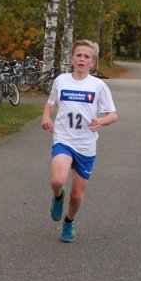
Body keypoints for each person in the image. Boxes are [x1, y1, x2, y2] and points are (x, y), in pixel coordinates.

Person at [41, 40, 117, 243]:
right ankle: (58, 195)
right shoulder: (61, 81)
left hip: (86, 144)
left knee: (77, 195)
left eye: (87, 57)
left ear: (93, 62)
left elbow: (113, 115)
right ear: (71, 59)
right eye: (79, 55)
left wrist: (101, 121)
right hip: (63, 138)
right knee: (57, 180)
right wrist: (46, 117)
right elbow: (50, 103)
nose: (82, 59)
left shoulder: (98, 86)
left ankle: (69, 221)